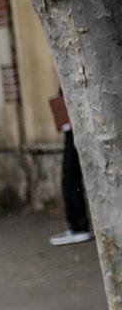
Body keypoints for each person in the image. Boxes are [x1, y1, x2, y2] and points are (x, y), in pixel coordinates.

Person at [51, 95, 92, 247]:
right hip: (79, 113)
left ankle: (78, 226)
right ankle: (78, 225)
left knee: (70, 170)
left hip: (77, 114)